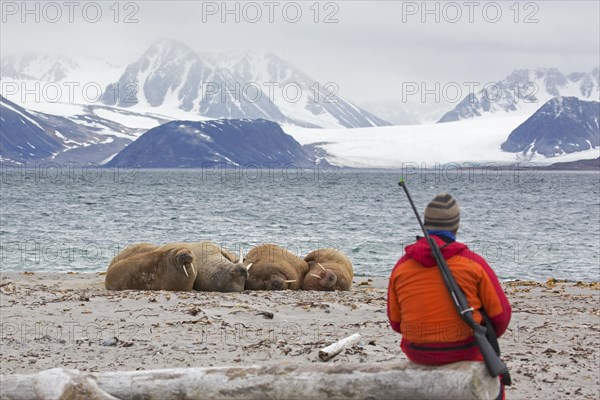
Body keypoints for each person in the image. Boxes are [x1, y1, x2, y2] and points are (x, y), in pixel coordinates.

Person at [387, 192, 511, 399]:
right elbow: (500, 317)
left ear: (425, 226)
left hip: (418, 353)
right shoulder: (474, 263)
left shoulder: (402, 267)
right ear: (456, 226)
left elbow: (396, 322)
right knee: (494, 385)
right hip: (467, 350)